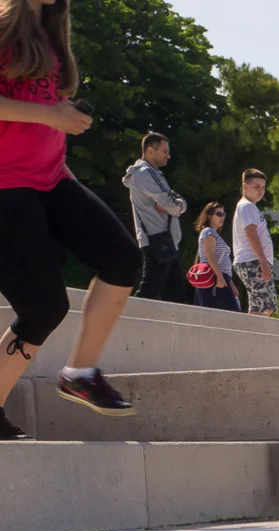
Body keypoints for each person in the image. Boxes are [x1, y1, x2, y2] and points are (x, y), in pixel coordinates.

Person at [0, 0, 141, 437]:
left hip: (52, 177)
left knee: (123, 259)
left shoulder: (51, 31)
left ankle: (80, 372)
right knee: (44, 308)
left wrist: (64, 118)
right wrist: (50, 115)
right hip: (5, 184)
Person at [124, 131, 185, 301]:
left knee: (175, 294)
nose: (168, 156)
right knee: (149, 290)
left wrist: (177, 204)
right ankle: (124, 315)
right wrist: (176, 205)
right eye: (164, 151)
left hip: (165, 240)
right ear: (150, 150)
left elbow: (175, 201)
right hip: (155, 239)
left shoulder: (154, 173)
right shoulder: (144, 173)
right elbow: (171, 205)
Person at [232, 169, 275, 316]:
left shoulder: (251, 207)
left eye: (263, 187)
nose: (260, 191)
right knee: (260, 306)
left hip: (256, 261)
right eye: (256, 187)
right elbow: (251, 233)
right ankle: (249, 330)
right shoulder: (246, 206)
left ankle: (254, 329)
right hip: (252, 260)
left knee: (268, 305)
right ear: (245, 186)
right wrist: (262, 261)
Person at [190, 201, 238, 311]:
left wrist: (231, 284)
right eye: (219, 214)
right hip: (214, 278)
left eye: (223, 214)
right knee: (229, 312)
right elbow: (209, 255)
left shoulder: (215, 234)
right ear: (209, 215)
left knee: (229, 312)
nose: (222, 217)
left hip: (221, 277)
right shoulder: (208, 232)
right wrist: (220, 277)